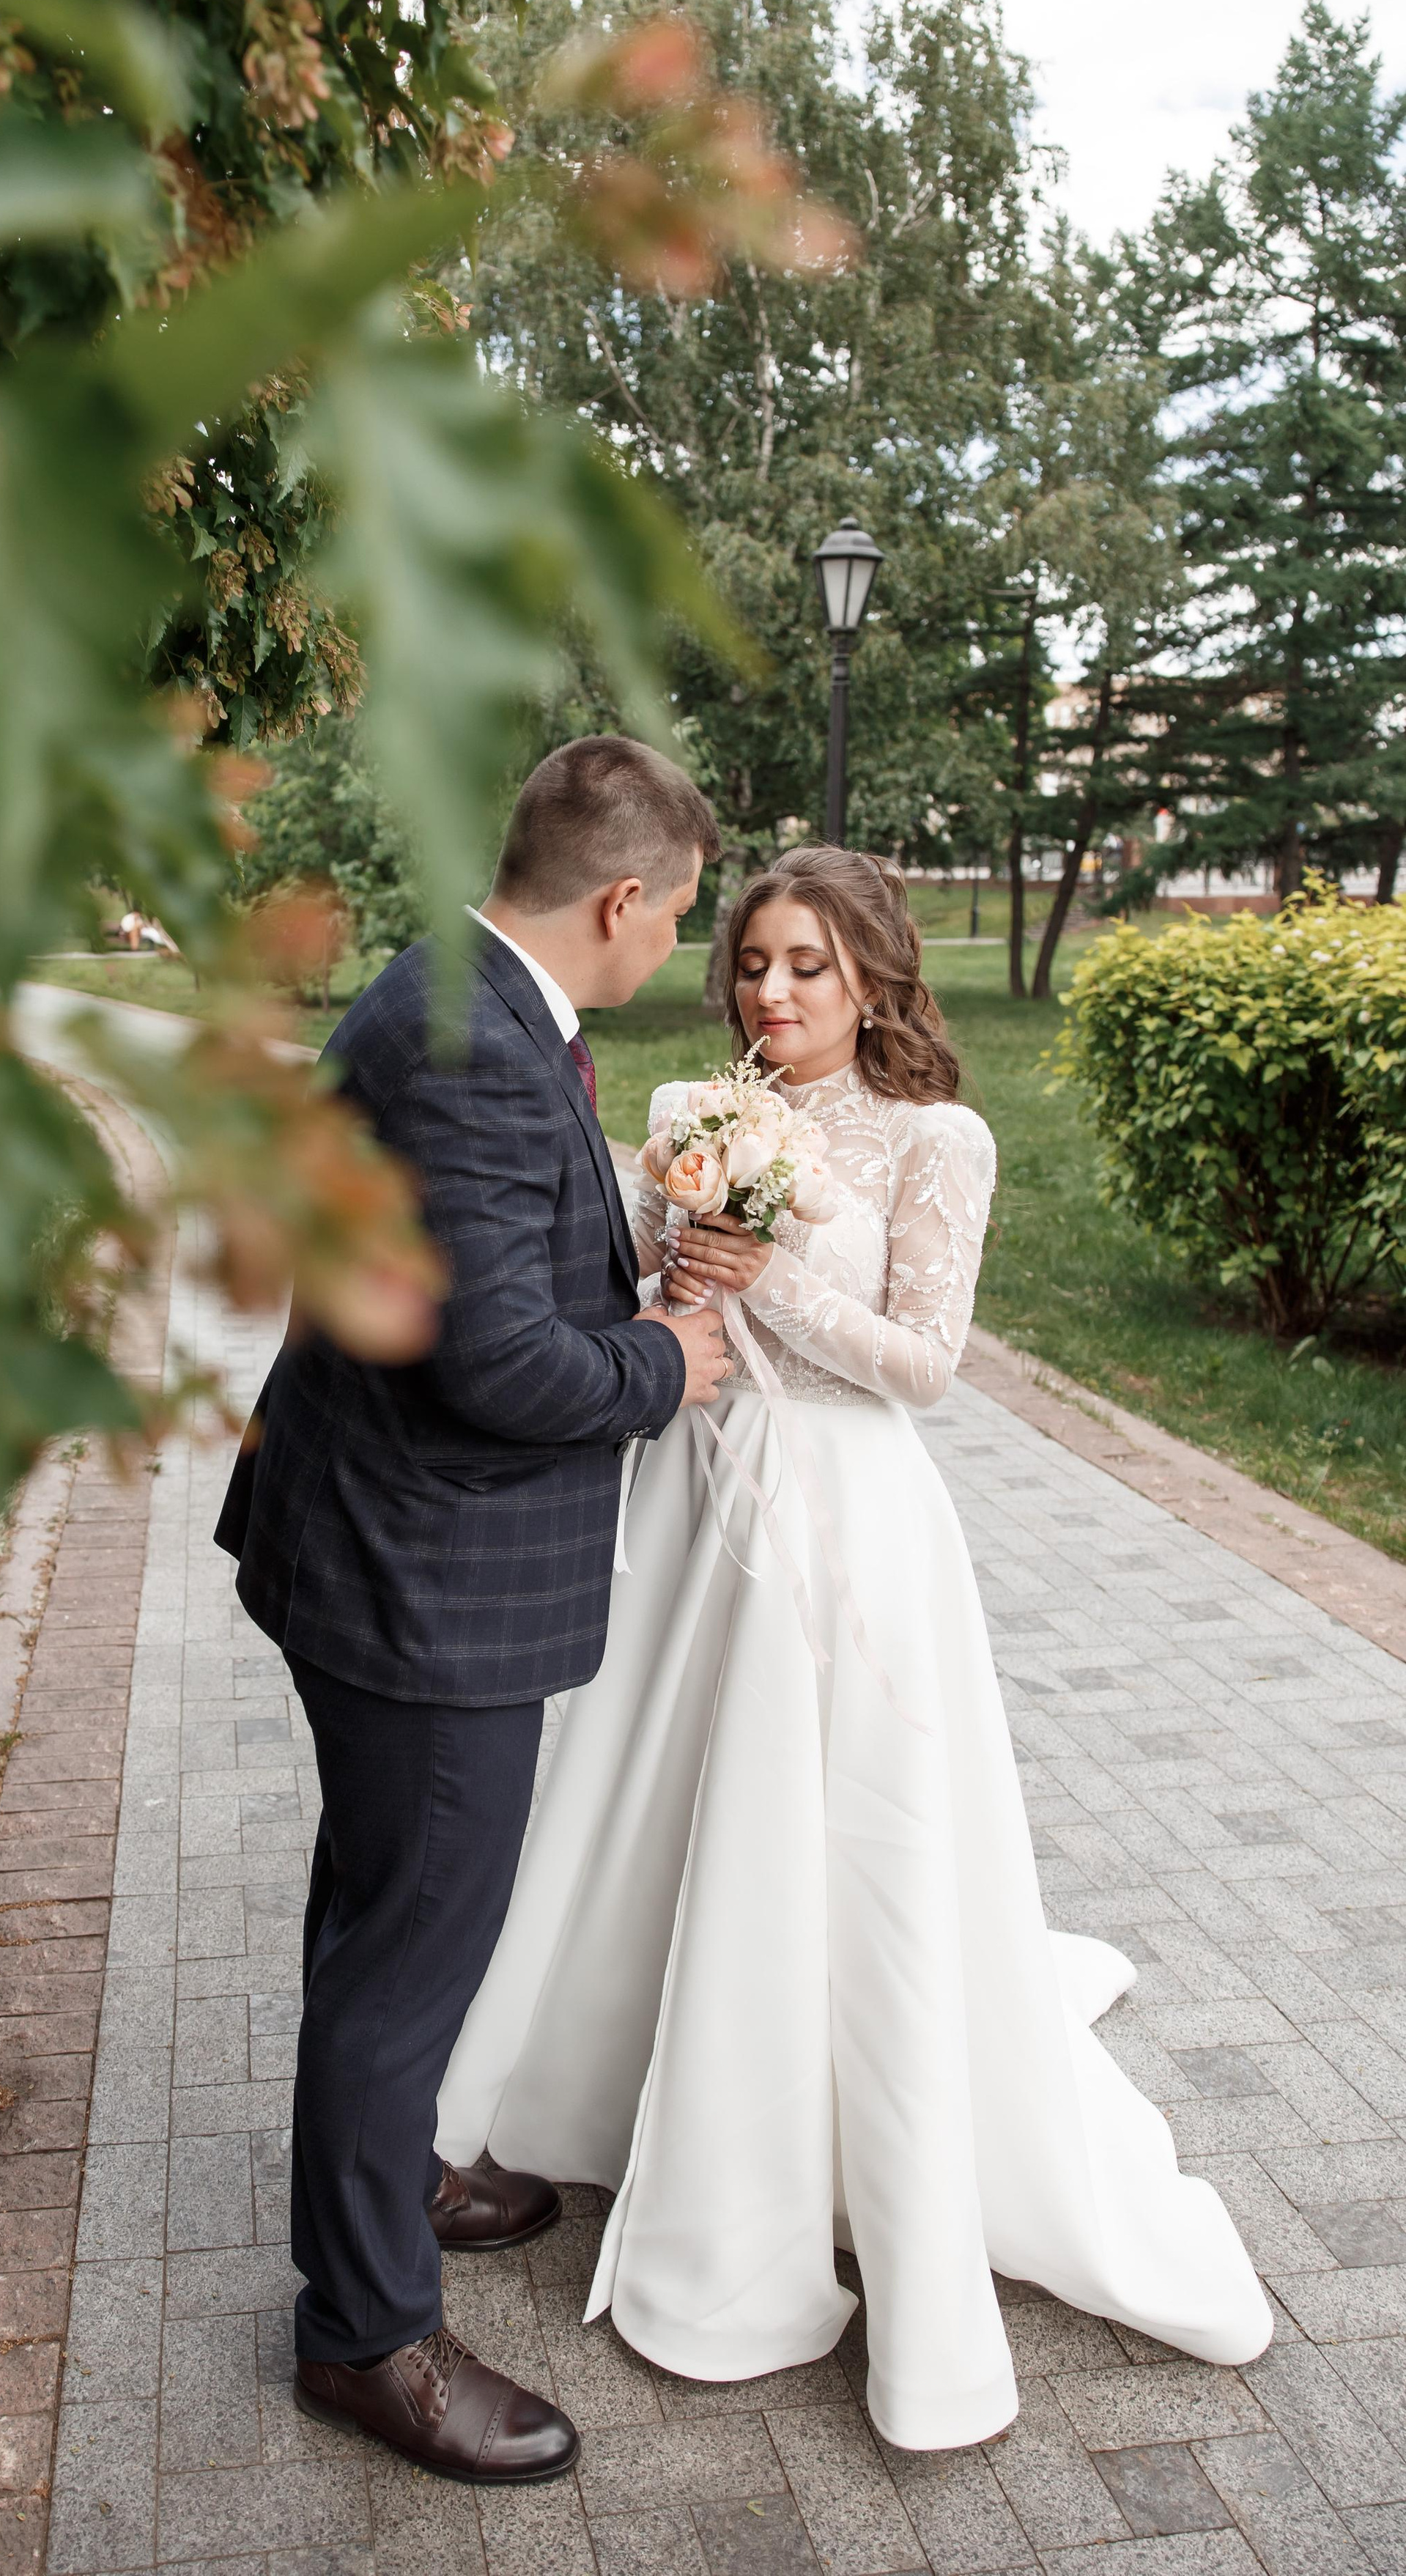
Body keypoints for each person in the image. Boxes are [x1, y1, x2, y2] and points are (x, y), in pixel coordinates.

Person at [437, 845, 1272, 2451]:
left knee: (840, 1835)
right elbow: (628, 1299)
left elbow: (923, 1366)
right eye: (752, 959)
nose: (770, 991)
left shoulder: (932, 1139)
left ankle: (823, 2141)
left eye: (808, 965)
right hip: (694, 1500)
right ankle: (614, 2091)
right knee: (660, 1803)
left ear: (877, 976)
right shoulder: (691, 1111)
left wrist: (768, 1292)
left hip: (846, 1519)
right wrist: (675, 1283)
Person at [215, 737, 730, 2484]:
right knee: (409, 1938)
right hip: (416, 1580)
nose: (675, 949)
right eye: (677, 919)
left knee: (381, 1911)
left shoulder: (453, 989)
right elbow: (495, 1358)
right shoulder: (480, 1055)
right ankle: (365, 2336)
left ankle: (398, 2162)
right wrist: (665, 1358)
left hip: (364, 1542)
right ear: (620, 899)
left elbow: (483, 1266)